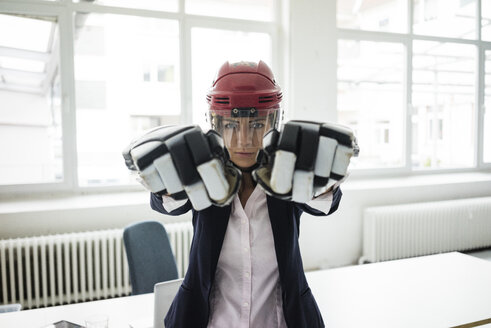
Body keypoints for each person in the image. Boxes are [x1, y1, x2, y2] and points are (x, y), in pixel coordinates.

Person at [123, 60, 358, 328]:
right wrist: (165, 178)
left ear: (274, 122)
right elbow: (169, 203)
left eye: (257, 125)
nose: (244, 140)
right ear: (216, 125)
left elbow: (324, 203)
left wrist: (324, 181)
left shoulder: (285, 175)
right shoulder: (204, 175)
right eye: (232, 125)